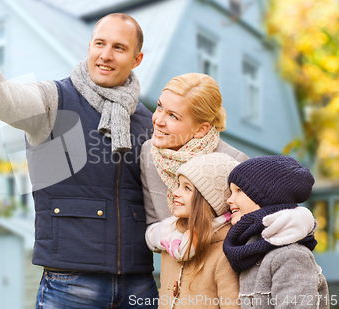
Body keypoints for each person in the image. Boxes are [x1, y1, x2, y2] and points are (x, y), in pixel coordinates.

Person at [0, 13, 158, 308]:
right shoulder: (54, 99)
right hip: (70, 283)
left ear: (137, 59)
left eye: (119, 48)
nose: (105, 55)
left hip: (139, 283)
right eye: (99, 44)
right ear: (89, 46)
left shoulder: (148, 121)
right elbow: (5, 99)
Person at [140, 73, 315, 252]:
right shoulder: (148, 153)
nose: (158, 120)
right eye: (160, 107)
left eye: (173, 116)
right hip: (175, 273)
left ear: (201, 129)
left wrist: (198, 240)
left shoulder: (235, 162)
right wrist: (173, 239)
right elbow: (152, 224)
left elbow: (253, 229)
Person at [223, 156, 329, 309]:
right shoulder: (251, 252)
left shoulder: (289, 256)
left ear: (267, 197)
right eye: (231, 191)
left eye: (239, 190)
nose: (229, 200)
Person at [157, 152, 242, 308]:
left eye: (187, 188)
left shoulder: (225, 253)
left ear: (209, 200)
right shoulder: (171, 243)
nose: (175, 193)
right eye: (178, 185)